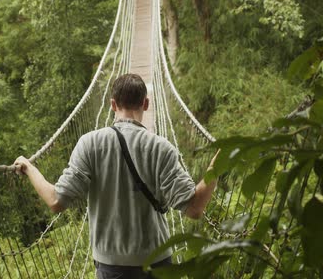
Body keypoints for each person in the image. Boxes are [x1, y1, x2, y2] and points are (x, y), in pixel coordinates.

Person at [14, 73, 218, 279]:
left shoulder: (89, 144)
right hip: (158, 264)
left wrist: (30, 168)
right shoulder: (161, 148)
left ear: (113, 104)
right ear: (146, 104)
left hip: (112, 268)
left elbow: (56, 201)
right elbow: (194, 208)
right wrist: (217, 164)